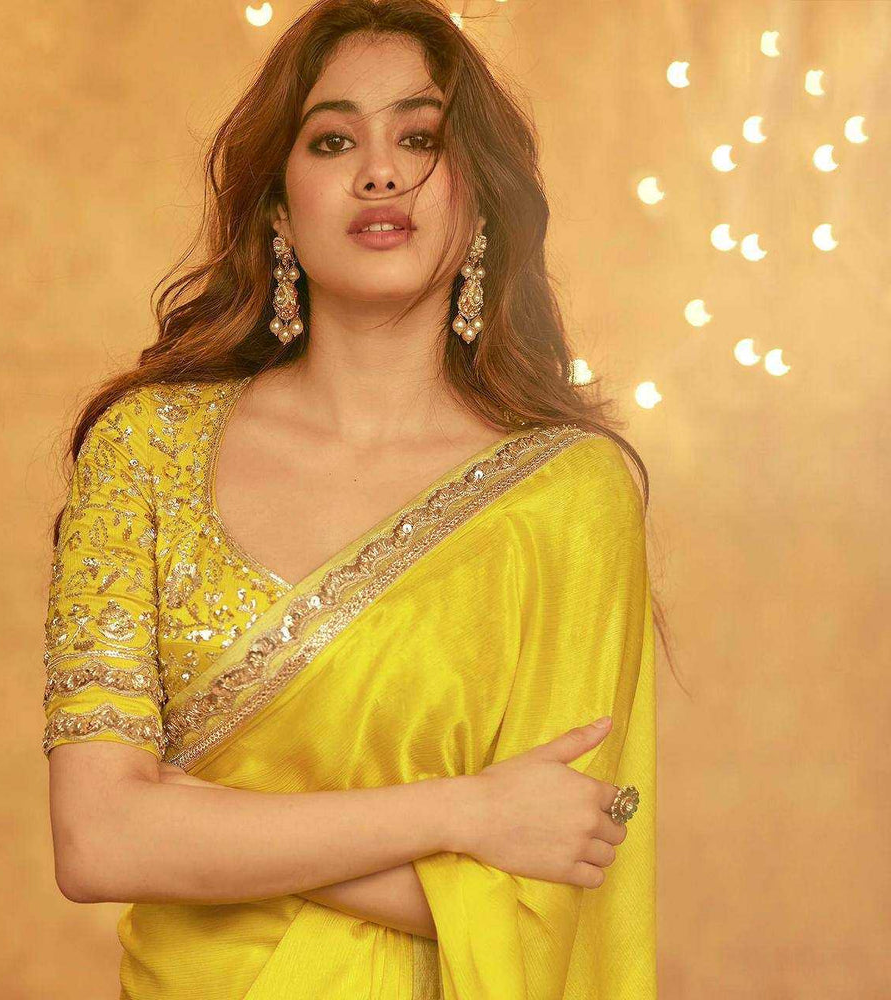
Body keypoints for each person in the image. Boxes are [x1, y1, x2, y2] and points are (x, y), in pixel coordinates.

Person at [42, 2, 662, 997]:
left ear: (479, 203)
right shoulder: (146, 446)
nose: (380, 172)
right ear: (279, 212)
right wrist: (464, 812)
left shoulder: (568, 495)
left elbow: (547, 887)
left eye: (420, 138)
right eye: (333, 140)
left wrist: (195, 819)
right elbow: (98, 841)